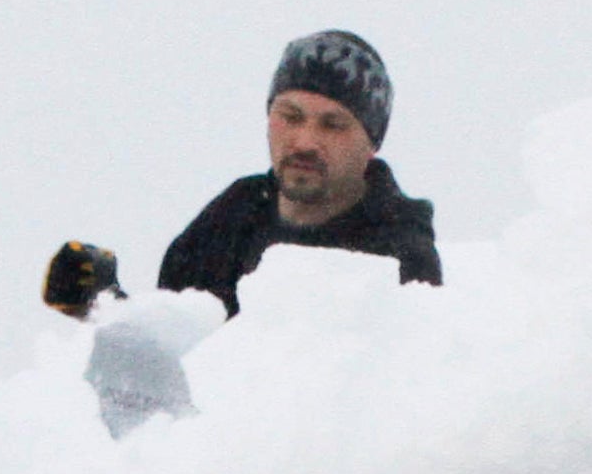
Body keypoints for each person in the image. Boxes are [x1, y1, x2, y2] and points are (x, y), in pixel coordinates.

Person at [155, 30, 440, 314]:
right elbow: (166, 332)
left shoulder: (398, 259)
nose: (305, 143)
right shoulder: (227, 222)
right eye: (291, 117)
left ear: (371, 144)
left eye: (332, 125)